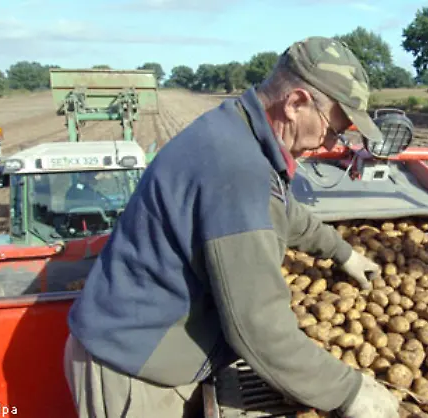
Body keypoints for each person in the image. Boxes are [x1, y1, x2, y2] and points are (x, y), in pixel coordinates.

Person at [63, 36, 400, 418]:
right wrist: (349, 393)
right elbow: (256, 326)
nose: (328, 143)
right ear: (295, 104)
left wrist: (344, 253)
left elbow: (284, 211)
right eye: (333, 129)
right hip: (133, 369)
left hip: (148, 351)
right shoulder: (237, 167)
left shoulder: (237, 129)